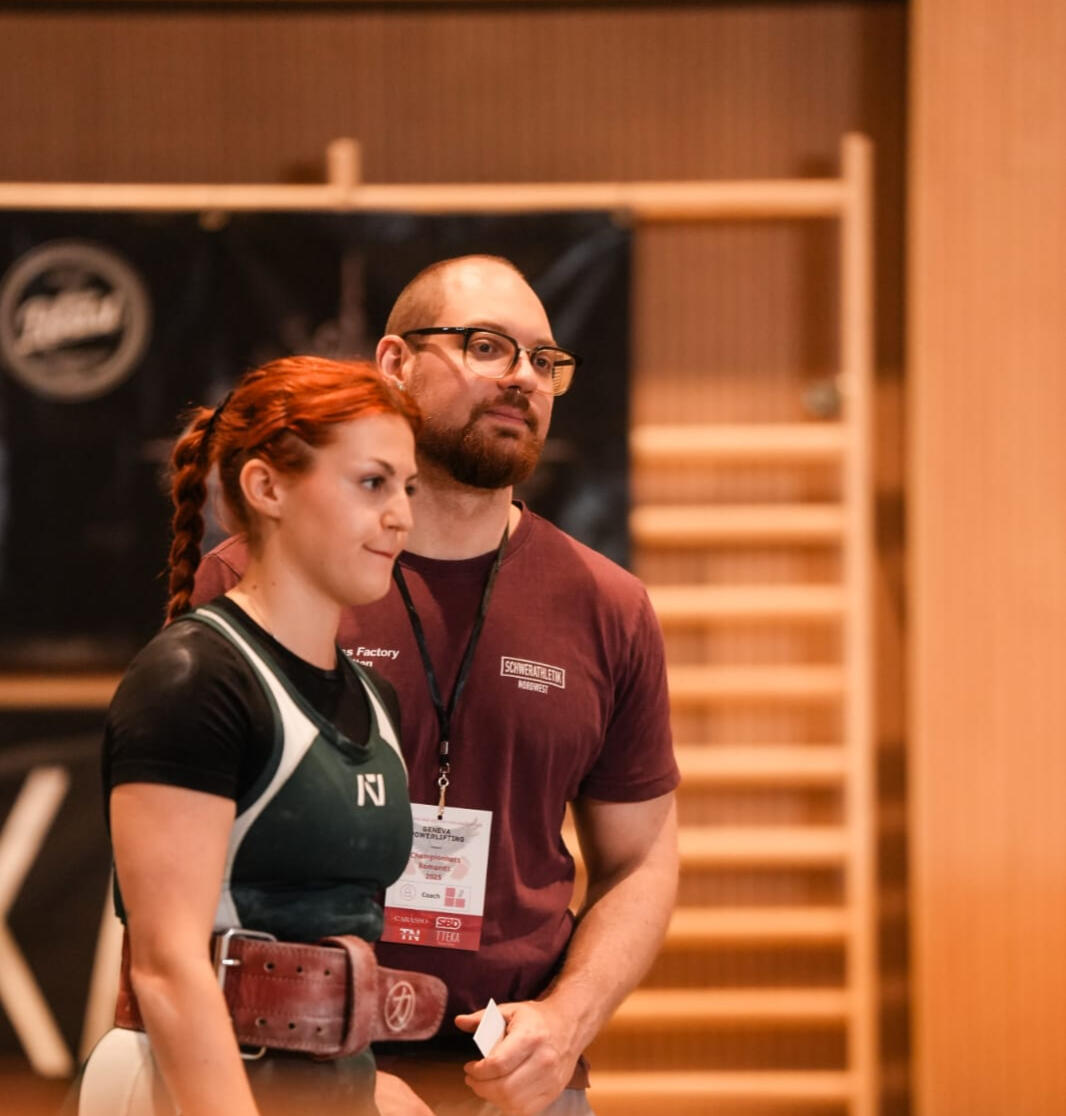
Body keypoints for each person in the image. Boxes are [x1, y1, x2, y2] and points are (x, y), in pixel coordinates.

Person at [192, 257, 680, 1116]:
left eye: (544, 360)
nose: (522, 378)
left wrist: (566, 1023)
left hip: (519, 1084)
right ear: (393, 364)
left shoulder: (610, 606)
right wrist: (332, 1073)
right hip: (299, 1076)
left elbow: (641, 860)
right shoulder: (266, 578)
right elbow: (188, 869)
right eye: (488, 347)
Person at [79, 356, 446, 1116]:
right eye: (373, 483)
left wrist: (354, 1081)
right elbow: (168, 967)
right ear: (266, 487)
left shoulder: (376, 700)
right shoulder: (192, 679)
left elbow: (328, 925)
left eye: (407, 488)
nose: (402, 516)